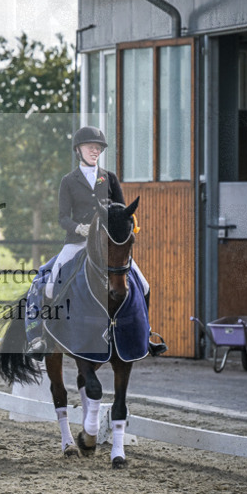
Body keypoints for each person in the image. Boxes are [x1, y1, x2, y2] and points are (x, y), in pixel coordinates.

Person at [43, 126, 163, 356]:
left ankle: (146, 334)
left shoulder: (109, 178)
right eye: (90, 147)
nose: (94, 151)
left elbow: (122, 210)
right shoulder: (68, 181)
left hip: (107, 245)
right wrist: (79, 228)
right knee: (50, 284)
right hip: (76, 242)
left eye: (97, 148)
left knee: (144, 284)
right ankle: (47, 337)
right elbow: (62, 218)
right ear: (78, 150)